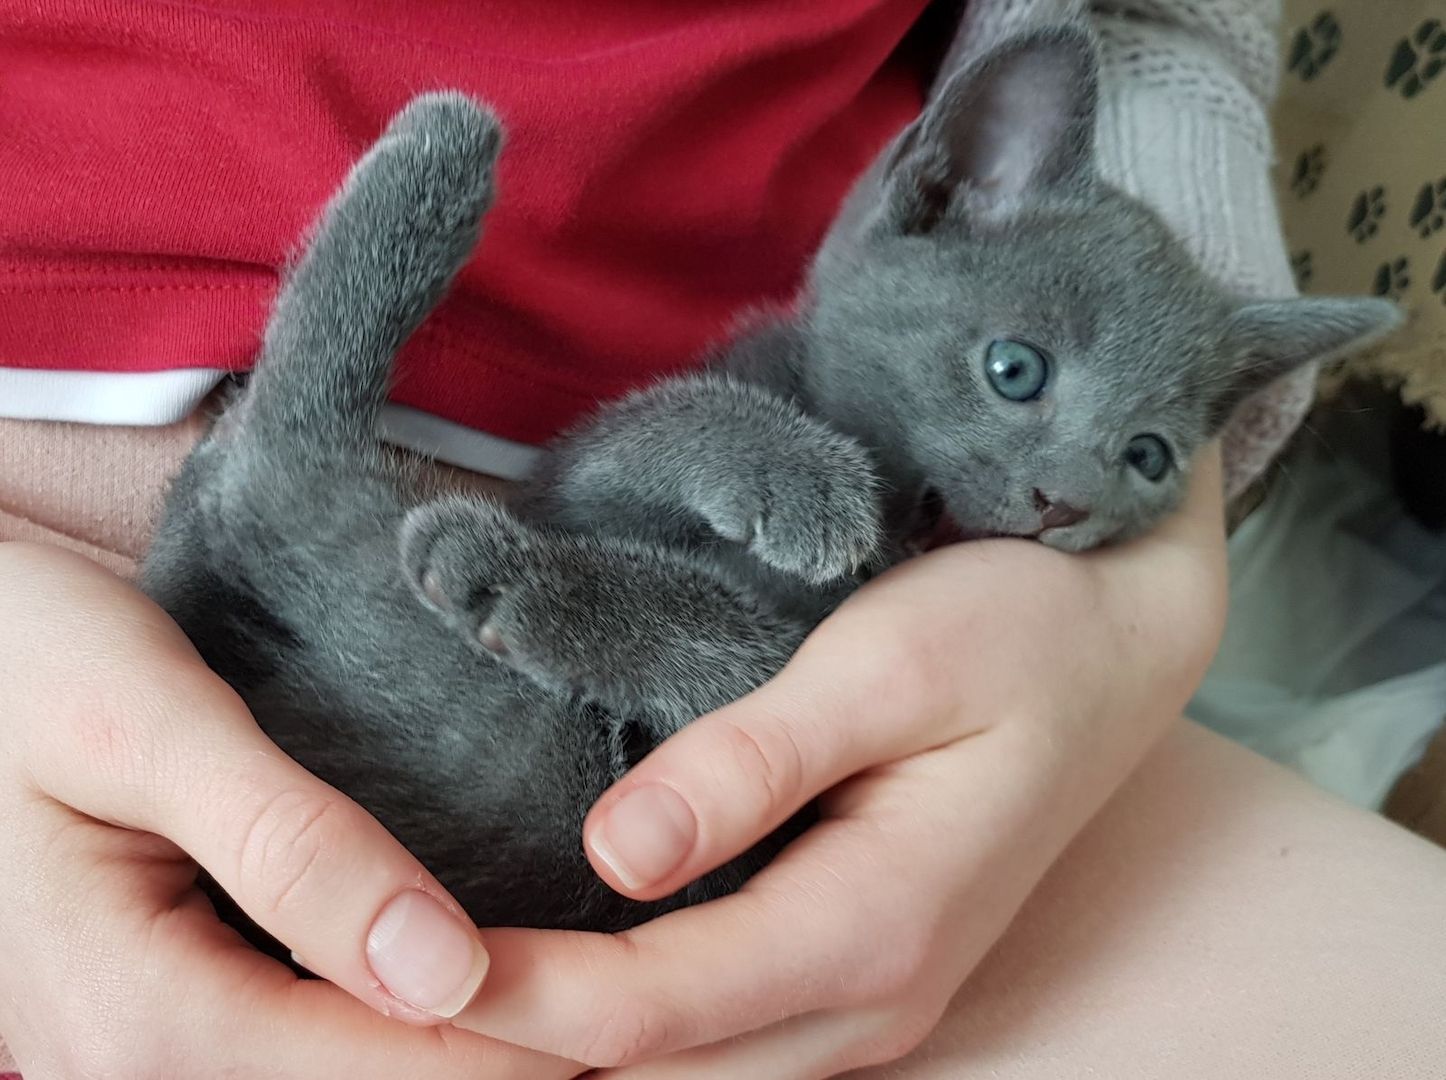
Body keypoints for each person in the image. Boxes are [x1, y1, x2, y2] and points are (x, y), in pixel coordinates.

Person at [2, 2, 1444, 1079]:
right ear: (934, 199)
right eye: (1018, 380)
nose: (1076, 484)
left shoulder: (944, 513)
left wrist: (1148, 591)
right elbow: (631, 494)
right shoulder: (781, 405)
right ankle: (290, 459)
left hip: (828, 751)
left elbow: (1139, 18)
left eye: (1133, 457)